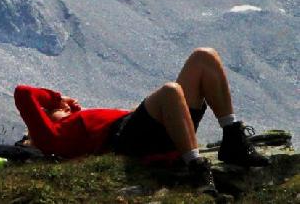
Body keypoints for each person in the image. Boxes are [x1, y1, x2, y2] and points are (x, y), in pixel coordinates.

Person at [14, 48, 270, 192]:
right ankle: (196, 170)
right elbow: (24, 93)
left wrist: (62, 106)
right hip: (124, 140)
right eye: (58, 108)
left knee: (204, 58)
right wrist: (58, 98)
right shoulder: (50, 137)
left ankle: (233, 138)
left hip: (146, 127)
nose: (68, 107)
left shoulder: (69, 124)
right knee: (171, 90)